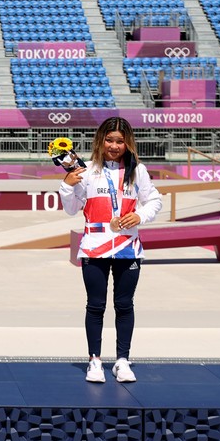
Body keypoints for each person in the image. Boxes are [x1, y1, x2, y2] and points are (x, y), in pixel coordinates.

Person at [59, 116, 162, 384]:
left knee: (124, 305)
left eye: (120, 141)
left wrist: (140, 216)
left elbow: (153, 200)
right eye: (109, 140)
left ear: (128, 143)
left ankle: (122, 361)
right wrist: (67, 186)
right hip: (94, 248)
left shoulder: (137, 170)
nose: (114, 146)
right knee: (95, 306)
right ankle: (94, 361)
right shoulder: (88, 170)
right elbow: (71, 208)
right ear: (100, 141)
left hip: (128, 247)